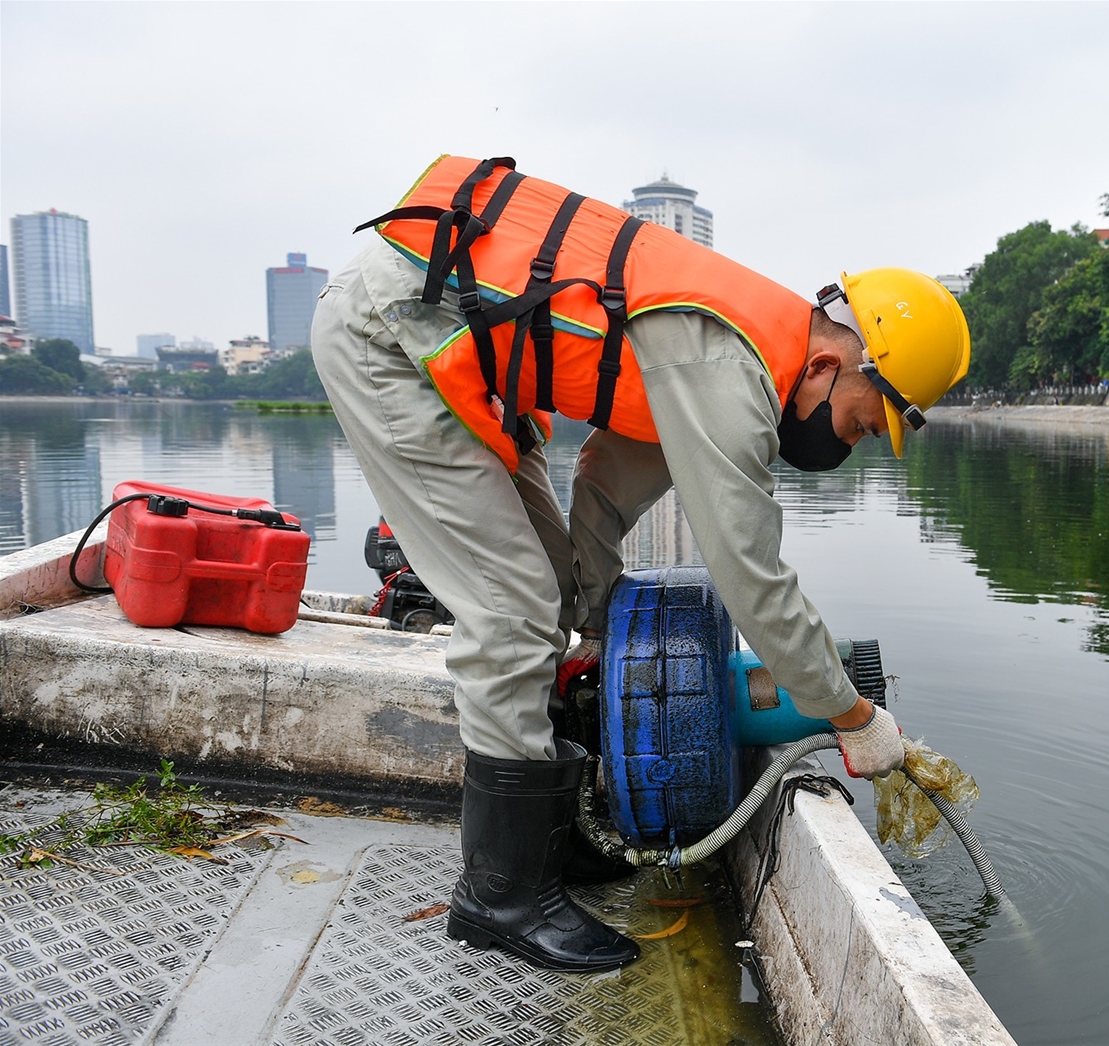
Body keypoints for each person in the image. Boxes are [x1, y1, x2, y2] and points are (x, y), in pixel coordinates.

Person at [310, 156, 970, 973]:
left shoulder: (713, 358)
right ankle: (501, 895)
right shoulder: (727, 373)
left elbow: (603, 487)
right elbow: (751, 576)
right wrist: (851, 716)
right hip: (391, 336)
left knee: (542, 593)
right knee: (510, 611)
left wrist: (588, 615)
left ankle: (546, 845)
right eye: (862, 425)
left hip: (447, 351)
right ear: (836, 367)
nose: (847, 444)